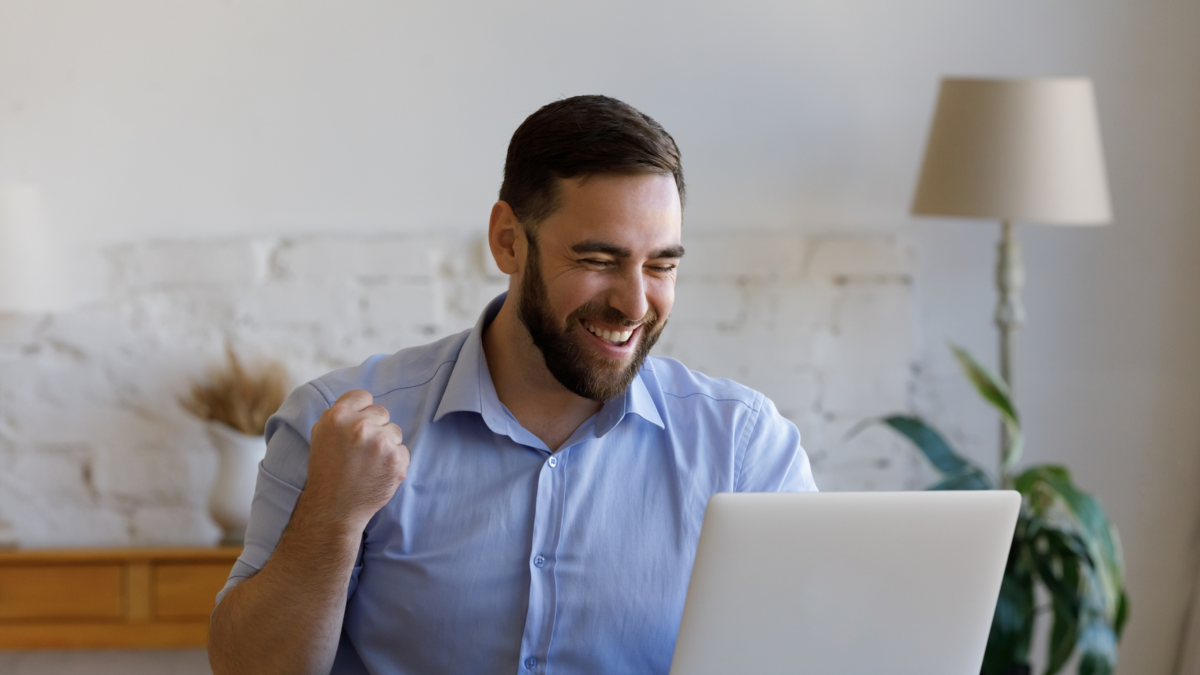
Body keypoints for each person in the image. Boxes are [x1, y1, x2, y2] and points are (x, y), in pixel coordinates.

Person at [207, 95, 817, 675]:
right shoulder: (336, 426)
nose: (635, 305)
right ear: (508, 242)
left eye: (661, 265)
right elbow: (245, 668)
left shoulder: (743, 448)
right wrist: (331, 518)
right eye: (598, 261)